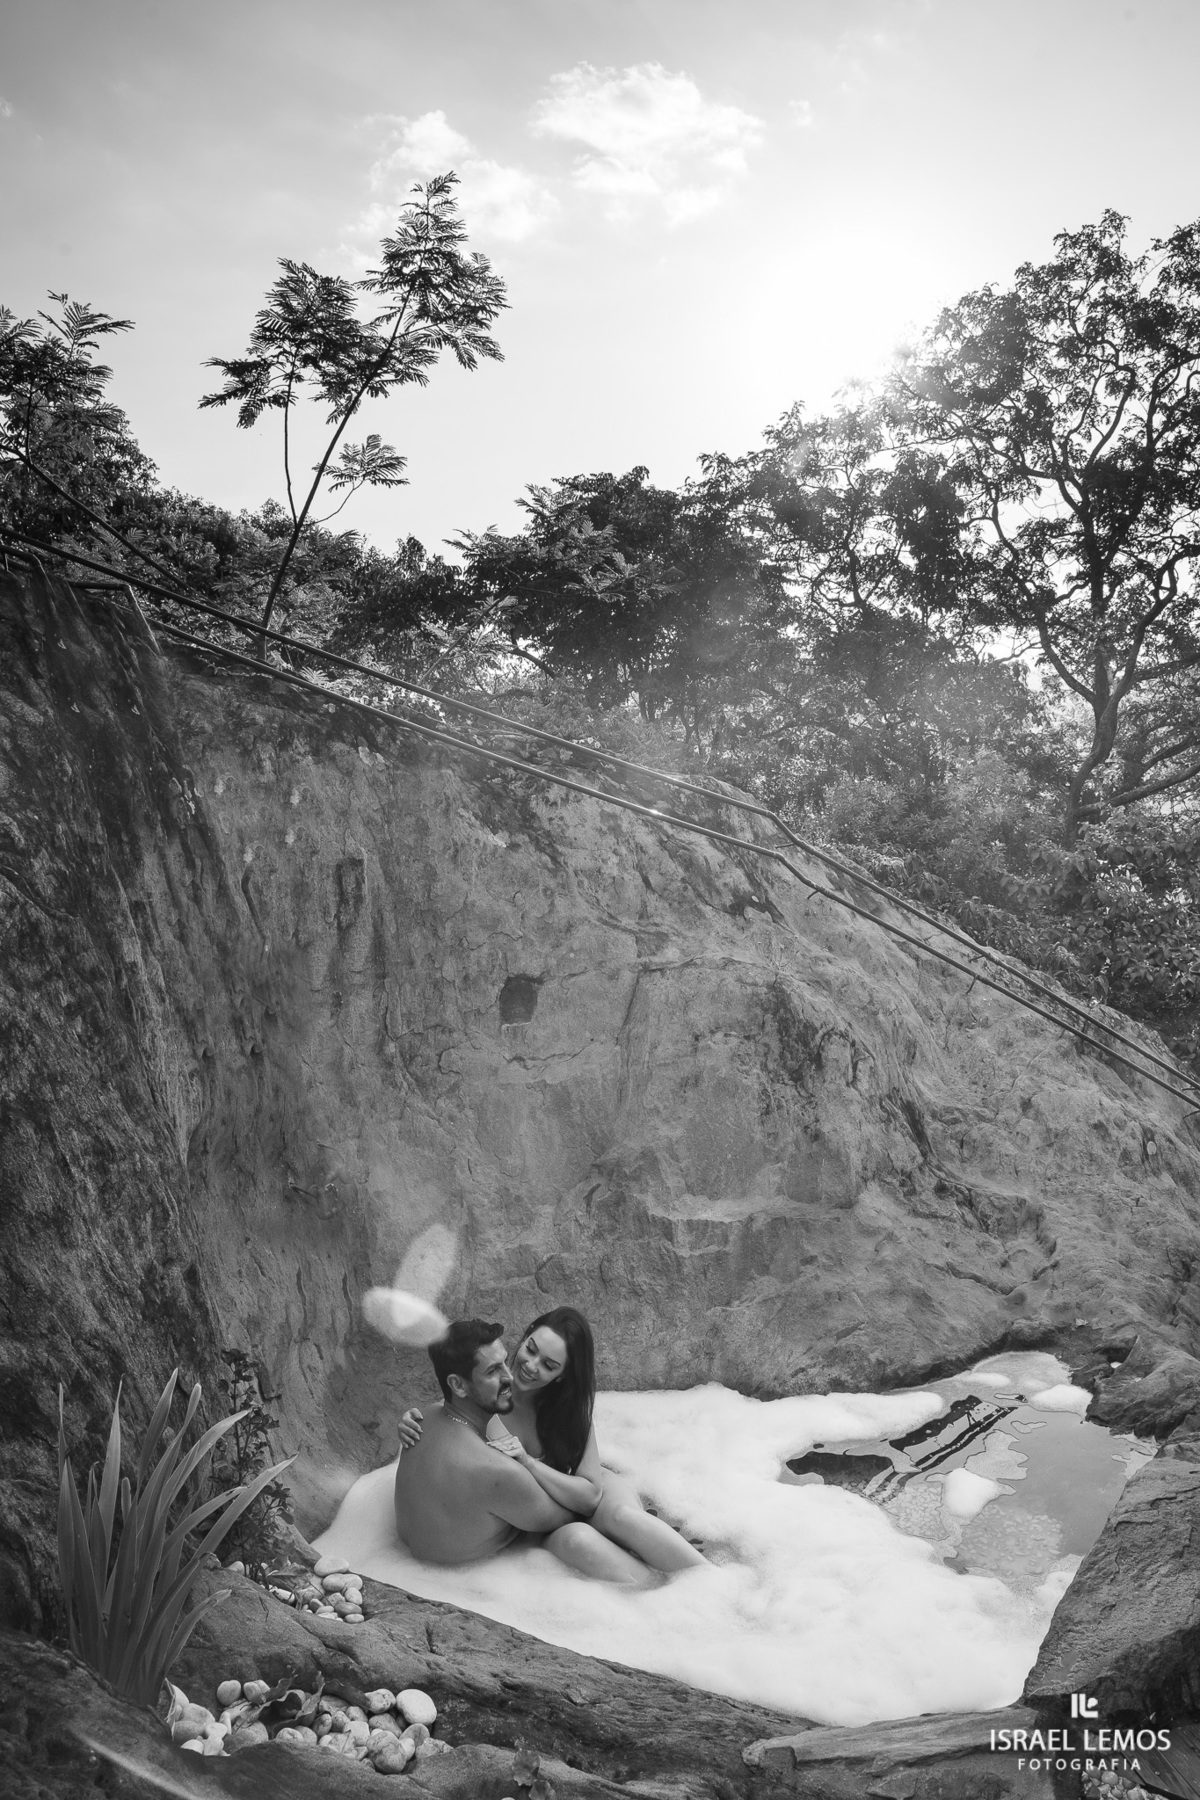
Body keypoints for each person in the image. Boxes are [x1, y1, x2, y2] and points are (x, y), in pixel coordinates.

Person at [397, 1306, 706, 1581]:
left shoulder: (564, 1409)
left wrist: (529, 1463)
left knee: (622, 1518)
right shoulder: (486, 1402)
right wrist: (409, 1422)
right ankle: (666, 1591)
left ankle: (708, 1582)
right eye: (530, 1349)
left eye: (549, 1365)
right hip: (531, 1517)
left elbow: (590, 1497)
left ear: (562, 1375)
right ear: (525, 1337)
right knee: (579, 1540)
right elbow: (453, 1419)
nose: (528, 1368)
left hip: (573, 1493)